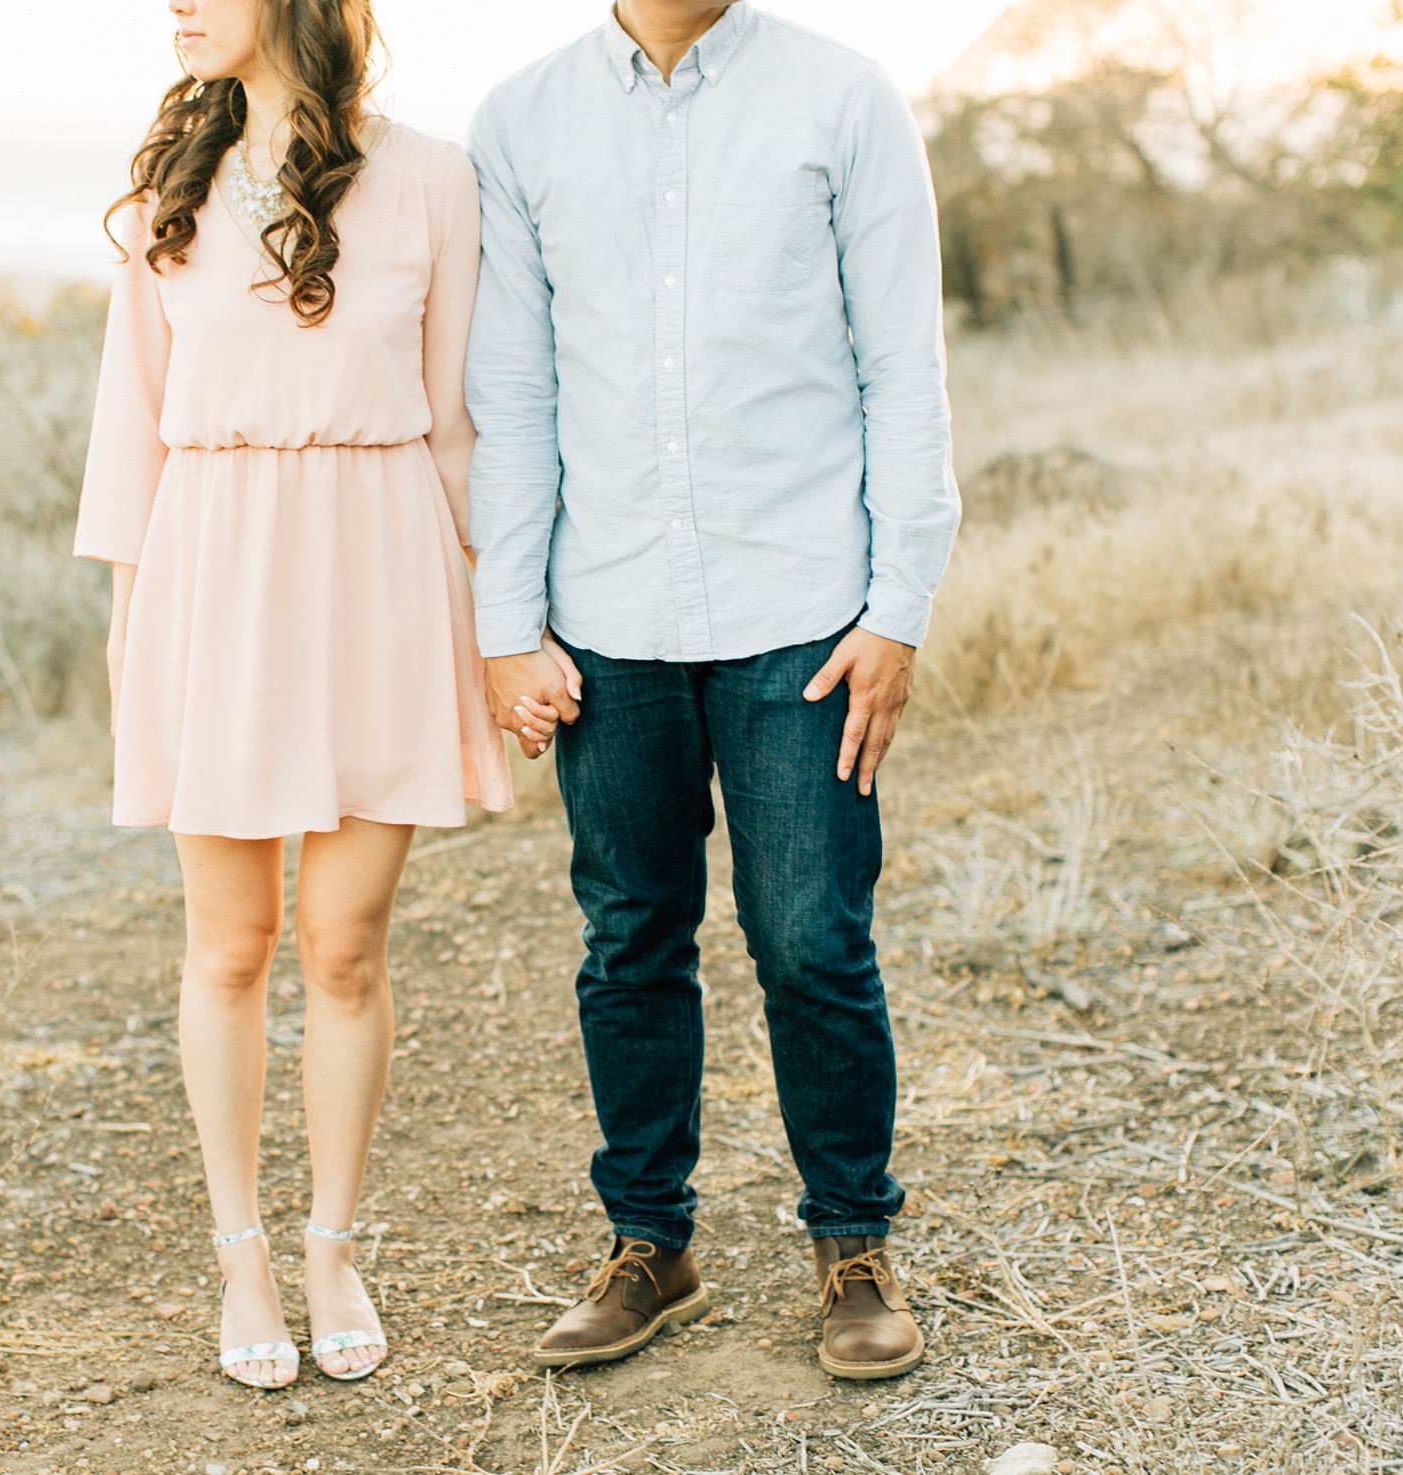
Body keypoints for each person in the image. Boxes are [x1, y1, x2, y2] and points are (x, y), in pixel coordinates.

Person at [466, 0, 961, 1381]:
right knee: (629, 936)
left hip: (804, 614)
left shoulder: (844, 98)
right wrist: (508, 621)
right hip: (608, 616)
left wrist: (899, 611)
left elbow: (902, 372)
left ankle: (853, 1242)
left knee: (810, 938)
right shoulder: (521, 121)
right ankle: (649, 1244)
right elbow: (513, 389)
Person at [73, 0, 513, 1390]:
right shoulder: (166, 199)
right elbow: (127, 442)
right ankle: (243, 1254)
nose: (175, 6)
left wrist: (498, 623)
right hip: (211, 581)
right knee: (231, 944)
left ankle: (334, 1241)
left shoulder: (435, 175)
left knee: (346, 944)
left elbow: (456, 425)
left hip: (379, 572)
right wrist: (128, 640)